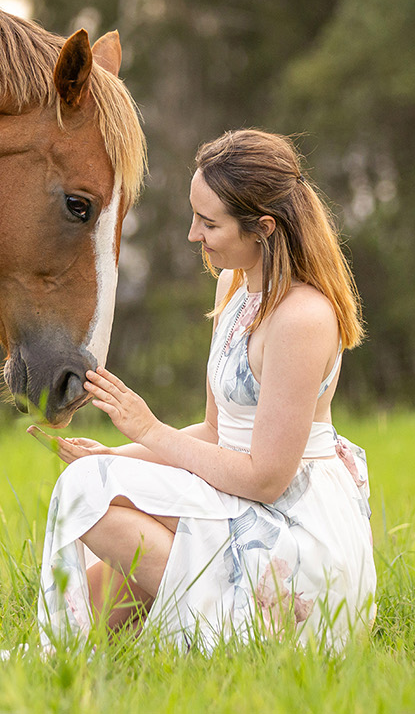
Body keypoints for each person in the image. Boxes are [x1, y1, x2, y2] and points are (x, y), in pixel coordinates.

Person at [31, 128, 375, 653]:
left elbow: (266, 478)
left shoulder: (302, 319)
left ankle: (220, 635)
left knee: (92, 496)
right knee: (89, 483)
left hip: (292, 532)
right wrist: (118, 453)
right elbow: (216, 432)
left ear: (263, 227)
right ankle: (161, 630)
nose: (194, 234)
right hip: (237, 498)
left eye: (209, 222)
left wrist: (150, 431)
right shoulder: (234, 287)